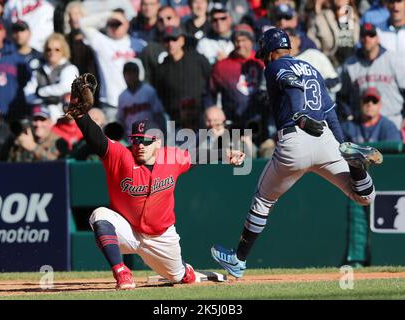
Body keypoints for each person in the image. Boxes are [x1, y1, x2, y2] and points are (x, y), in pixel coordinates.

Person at [210, 27, 383, 278]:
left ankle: (238, 260)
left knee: (263, 200)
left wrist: (299, 114)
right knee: (364, 197)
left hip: (296, 136)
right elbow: (331, 112)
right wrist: (343, 145)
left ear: (270, 50)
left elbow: (288, 83)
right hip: (325, 138)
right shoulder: (312, 68)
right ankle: (356, 164)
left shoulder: (274, 65)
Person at [72, 97, 244, 288]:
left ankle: (190, 272)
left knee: (180, 278)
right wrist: (80, 115)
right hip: (127, 231)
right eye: (136, 140)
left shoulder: (172, 157)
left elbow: (197, 156)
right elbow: (96, 139)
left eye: (146, 141)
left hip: (161, 236)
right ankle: (121, 273)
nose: (140, 146)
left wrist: (225, 154)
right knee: (100, 216)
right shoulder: (121, 156)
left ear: (158, 142)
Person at [338, 23, 405, 129]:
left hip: (393, 121)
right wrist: (349, 116)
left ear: (378, 39)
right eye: (364, 35)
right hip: (362, 127)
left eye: (371, 35)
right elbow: (342, 97)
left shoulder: (393, 60)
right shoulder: (350, 65)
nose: (367, 38)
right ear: (360, 39)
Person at [23, 33, 79, 123]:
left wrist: (40, 92)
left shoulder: (70, 68)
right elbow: (28, 94)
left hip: (64, 118)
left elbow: (65, 87)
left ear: (64, 50)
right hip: (42, 118)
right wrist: (44, 99)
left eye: (57, 49)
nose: (52, 52)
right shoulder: (39, 70)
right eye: (49, 49)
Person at [117, 58, 165, 135]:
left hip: (150, 133)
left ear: (138, 74)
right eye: (127, 74)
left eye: (133, 73)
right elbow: (121, 120)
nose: (130, 76)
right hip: (131, 136)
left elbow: (159, 115)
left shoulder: (149, 91)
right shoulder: (122, 96)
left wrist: (162, 134)